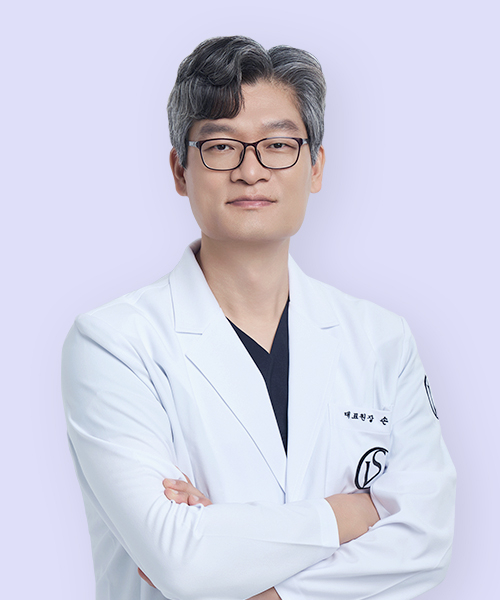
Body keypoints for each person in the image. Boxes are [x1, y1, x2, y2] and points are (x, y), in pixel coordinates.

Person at [61, 36, 456, 600]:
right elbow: (180, 560)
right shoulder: (113, 343)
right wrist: (355, 512)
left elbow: (427, 537)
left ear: (315, 167)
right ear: (180, 170)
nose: (251, 170)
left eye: (278, 145)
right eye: (221, 146)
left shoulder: (380, 339)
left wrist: (259, 582)